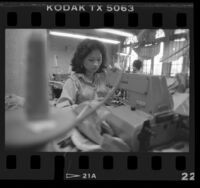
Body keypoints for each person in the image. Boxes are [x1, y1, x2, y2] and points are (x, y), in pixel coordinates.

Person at [56, 39, 109, 108]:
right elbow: (62, 107)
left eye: (99, 60)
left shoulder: (101, 77)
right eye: (91, 60)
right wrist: (85, 106)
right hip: (82, 118)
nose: (96, 64)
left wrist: (117, 74)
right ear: (81, 60)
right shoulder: (74, 82)